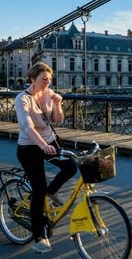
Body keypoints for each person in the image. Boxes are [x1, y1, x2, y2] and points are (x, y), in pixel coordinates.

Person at [15, 62, 77, 253]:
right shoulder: (22, 99)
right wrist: (42, 145)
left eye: (50, 80)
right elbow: (27, 127)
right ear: (32, 78)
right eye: (44, 80)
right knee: (38, 188)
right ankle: (39, 237)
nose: (47, 84)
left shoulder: (49, 94)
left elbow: (58, 120)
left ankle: (52, 192)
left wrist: (58, 105)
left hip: (50, 142)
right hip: (29, 147)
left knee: (71, 167)